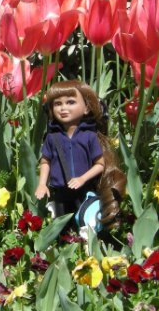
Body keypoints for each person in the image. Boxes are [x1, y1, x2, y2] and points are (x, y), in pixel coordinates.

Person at [34, 80, 126, 231]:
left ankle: (84, 242)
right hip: (60, 191)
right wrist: (42, 184)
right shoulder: (52, 137)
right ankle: (63, 243)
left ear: (86, 108)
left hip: (83, 189)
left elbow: (100, 164)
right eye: (57, 104)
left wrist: (82, 178)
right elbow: (45, 162)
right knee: (60, 224)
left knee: (84, 219)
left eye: (70, 102)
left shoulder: (89, 137)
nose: (63, 108)